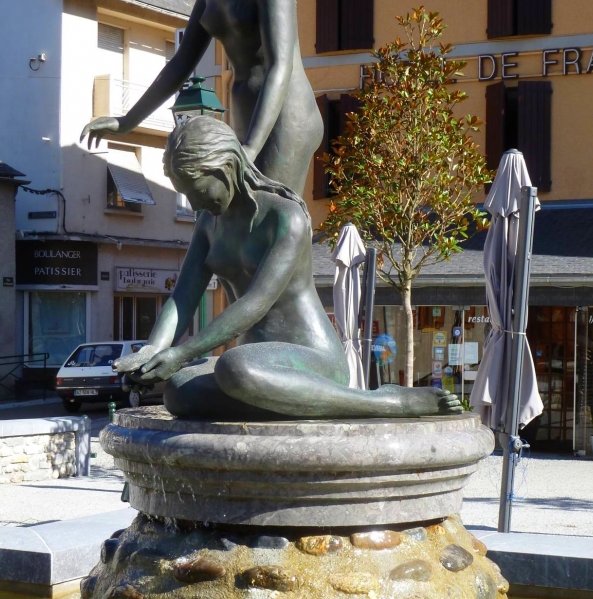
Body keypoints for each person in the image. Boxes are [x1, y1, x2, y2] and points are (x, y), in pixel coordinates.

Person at [115, 116, 462, 420]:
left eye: (198, 191)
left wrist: (182, 352)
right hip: (255, 365)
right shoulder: (209, 222)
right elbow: (183, 297)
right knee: (179, 391)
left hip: (312, 359)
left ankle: (384, 402)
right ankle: (286, 402)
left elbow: (256, 303)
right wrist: (153, 351)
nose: (194, 204)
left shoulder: (285, 217)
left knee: (235, 367)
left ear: (226, 169)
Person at [81, 0, 323, 197]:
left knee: (263, 219)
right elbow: (181, 64)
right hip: (246, 111)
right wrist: (127, 121)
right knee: (234, 227)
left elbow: (281, 65)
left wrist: (250, 148)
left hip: (284, 115)